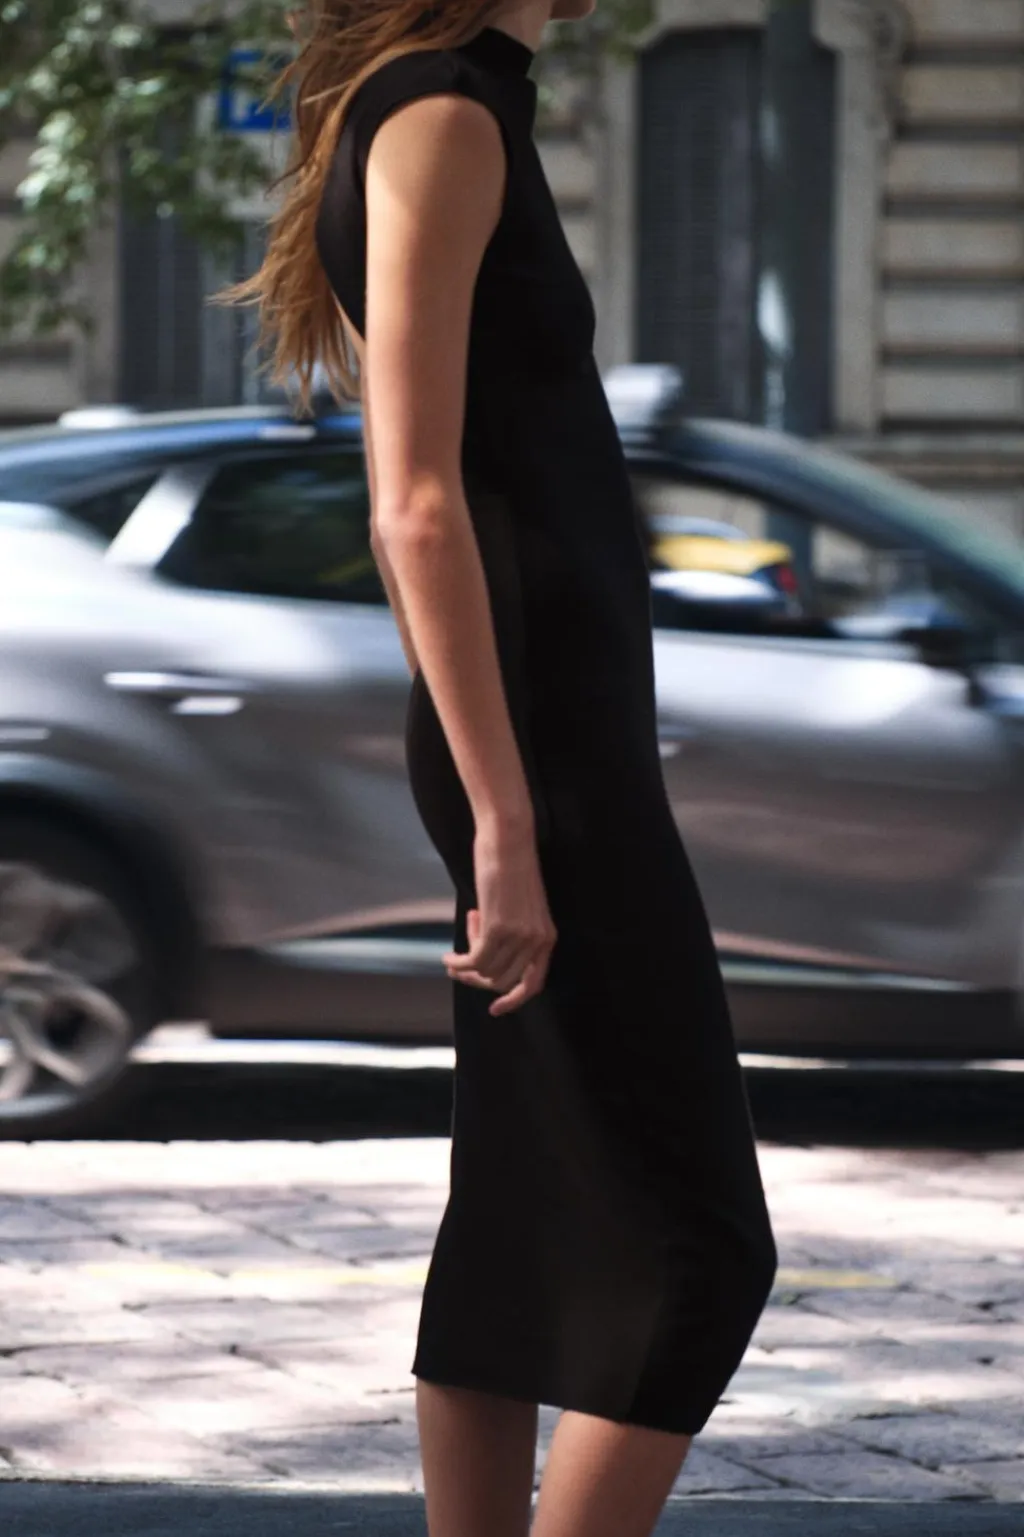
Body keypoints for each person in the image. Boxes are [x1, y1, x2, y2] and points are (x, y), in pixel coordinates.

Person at [229, 3, 777, 1533]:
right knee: (706, 1247)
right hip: (537, 751)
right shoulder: (443, 114)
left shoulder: (450, 106)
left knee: (523, 1216)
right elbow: (413, 500)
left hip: (543, 739)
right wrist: (506, 821)